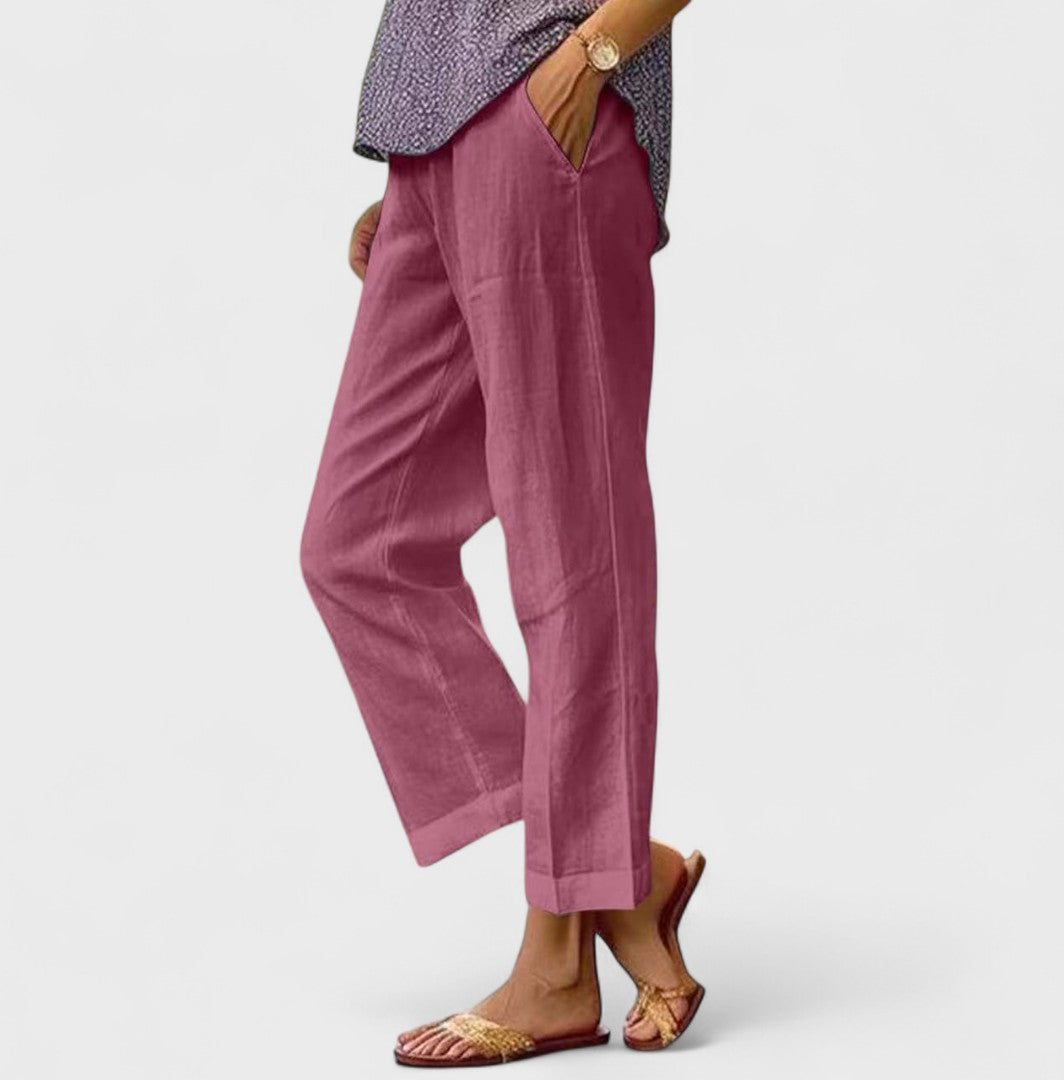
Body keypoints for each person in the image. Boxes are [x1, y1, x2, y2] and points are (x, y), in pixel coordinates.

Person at [300, 0, 704, 1065]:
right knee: (357, 543)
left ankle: (558, 966)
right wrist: (422, 155)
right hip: (434, 138)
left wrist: (592, 58)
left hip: (550, 100)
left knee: (571, 546)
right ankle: (613, 868)